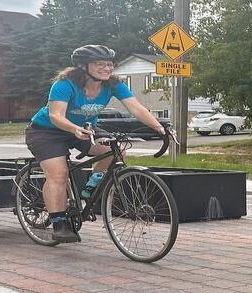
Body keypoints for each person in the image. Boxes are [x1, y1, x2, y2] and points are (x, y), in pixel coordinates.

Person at [25, 45, 166, 243]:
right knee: (59, 174)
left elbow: (136, 108)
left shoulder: (113, 84)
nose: (107, 68)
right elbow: (55, 115)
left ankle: (89, 189)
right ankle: (59, 223)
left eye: (110, 64)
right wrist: (73, 129)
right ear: (83, 66)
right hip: (47, 132)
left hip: (84, 128)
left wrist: (159, 127)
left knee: (116, 150)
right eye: (100, 64)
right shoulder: (65, 84)